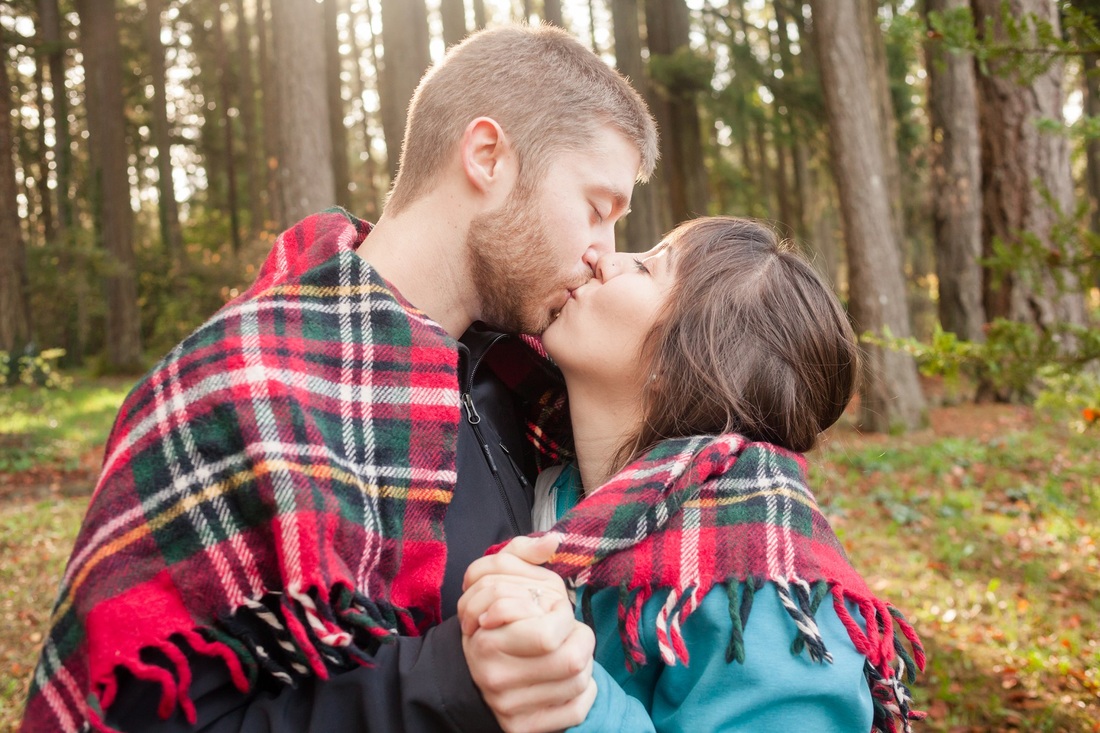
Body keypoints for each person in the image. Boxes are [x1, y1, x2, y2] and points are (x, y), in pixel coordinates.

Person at [21, 25, 657, 733]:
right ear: (487, 156)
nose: (605, 255)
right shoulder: (240, 388)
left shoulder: (522, 390)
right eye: (597, 211)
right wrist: (448, 681)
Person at [459, 217, 927, 732]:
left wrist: (573, 700)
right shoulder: (542, 477)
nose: (604, 258)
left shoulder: (758, 569)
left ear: (685, 356)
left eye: (647, 266)